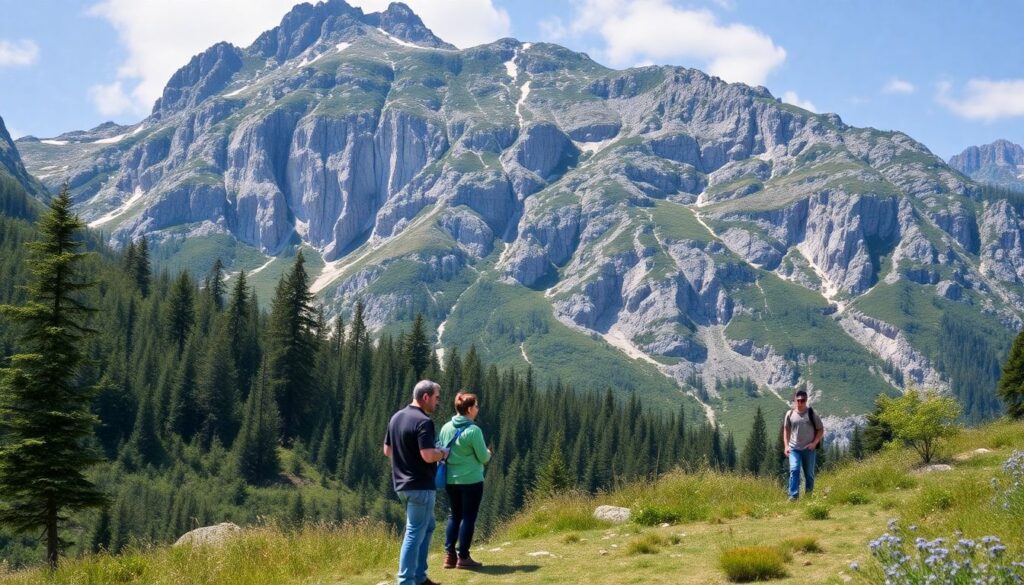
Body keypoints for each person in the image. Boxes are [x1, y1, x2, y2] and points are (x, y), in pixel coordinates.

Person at [384, 380, 450, 585]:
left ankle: (420, 576)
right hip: (421, 486)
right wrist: (442, 453)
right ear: (425, 397)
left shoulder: (397, 417)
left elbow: (388, 450)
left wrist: (406, 460)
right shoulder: (424, 421)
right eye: (437, 398)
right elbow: (428, 455)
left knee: (428, 525)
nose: (438, 402)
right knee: (414, 533)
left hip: (402, 485)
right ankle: (406, 580)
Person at [436, 392, 492, 569]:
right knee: (468, 517)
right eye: (476, 406)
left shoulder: (446, 427)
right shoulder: (473, 430)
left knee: (454, 515)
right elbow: (483, 457)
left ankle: (449, 556)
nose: (477, 409)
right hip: (472, 481)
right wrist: (489, 453)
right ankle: (464, 557)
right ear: (469, 410)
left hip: (451, 480)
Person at [782, 389, 824, 501]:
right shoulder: (790, 414)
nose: (800, 403)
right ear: (795, 400)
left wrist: (814, 443)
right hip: (794, 448)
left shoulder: (811, 413)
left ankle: (808, 497)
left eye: (803, 400)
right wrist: (786, 446)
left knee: (809, 474)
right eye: (798, 400)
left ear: (806, 400)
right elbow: (786, 430)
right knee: (794, 470)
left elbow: (820, 429)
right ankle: (793, 496)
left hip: (808, 449)